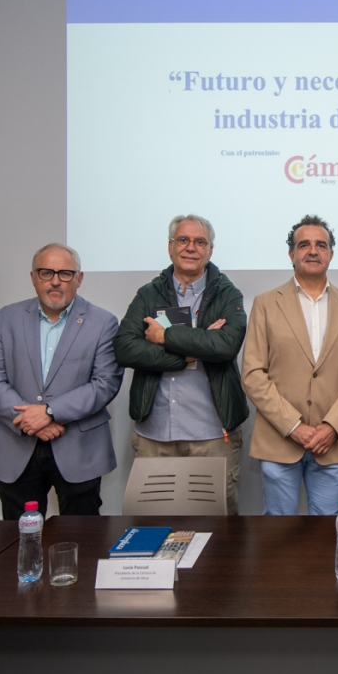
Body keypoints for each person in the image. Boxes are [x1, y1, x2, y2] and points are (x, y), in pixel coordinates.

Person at [113, 214, 248, 515]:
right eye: (183, 240)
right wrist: (191, 352)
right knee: (152, 527)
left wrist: (164, 336)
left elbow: (225, 346)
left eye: (199, 241)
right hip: (154, 434)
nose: (191, 247)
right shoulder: (148, 293)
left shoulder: (228, 294)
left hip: (212, 435)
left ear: (210, 250)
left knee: (219, 531)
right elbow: (124, 348)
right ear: (170, 247)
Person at [0, 243, 124, 519]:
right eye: (46, 273)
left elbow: (105, 383)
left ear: (79, 279)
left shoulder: (103, 322)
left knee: (82, 542)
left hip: (78, 449)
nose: (55, 281)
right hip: (16, 446)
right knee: (18, 543)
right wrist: (30, 421)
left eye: (65, 273)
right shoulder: (7, 318)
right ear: (33, 277)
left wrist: (48, 413)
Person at [242, 215, 338, 515]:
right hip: (278, 441)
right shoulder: (265, 303)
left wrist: (331, 427)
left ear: (331, 254)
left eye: (321, 245)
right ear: (291, 254)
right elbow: (252, 374)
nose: (313, 251)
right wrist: (294, 426)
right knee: (279, 538)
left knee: (326, 537)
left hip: (332, 446)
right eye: (304, 245)